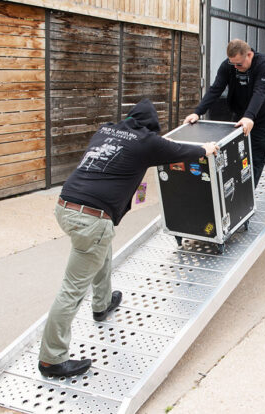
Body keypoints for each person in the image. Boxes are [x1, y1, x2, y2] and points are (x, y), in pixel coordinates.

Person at [38, 99, 219, 377]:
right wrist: (207, 148)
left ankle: (102, 303)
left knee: (101, 244)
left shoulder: (105, 130)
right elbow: (180, 150)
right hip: (91, 217)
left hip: (65, 204)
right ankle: (52, 359)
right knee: (71, 290)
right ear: (152, 127)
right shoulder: (147, 142)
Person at [183, 38, 265, 185]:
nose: (235, 67)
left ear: (249, 55)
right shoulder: (228, 66)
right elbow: (216, 89)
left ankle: (246, 200)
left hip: (261, 120)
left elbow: (261, 91)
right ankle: (233, 197)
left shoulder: (263, 64)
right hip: (239, 117)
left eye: (239, 64)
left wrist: (249, 116)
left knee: (256, 161)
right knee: (235, 159)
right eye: (232, 63)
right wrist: (198, 112)